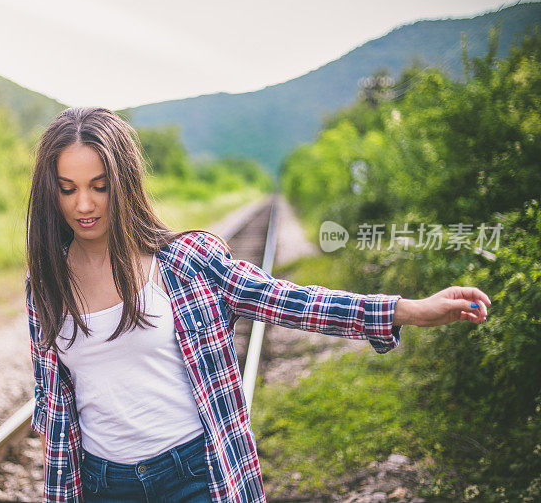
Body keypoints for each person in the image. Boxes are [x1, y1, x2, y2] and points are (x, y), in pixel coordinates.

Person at [25, 107, 491, 503]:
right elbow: (54, 409)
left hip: (195, 475)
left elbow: (288, 300)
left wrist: (406, 309)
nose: (84, 204)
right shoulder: (44, 284)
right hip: (105, 485)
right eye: (68, 188)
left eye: (99, 186)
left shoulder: (186, 262)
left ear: (123, 183)